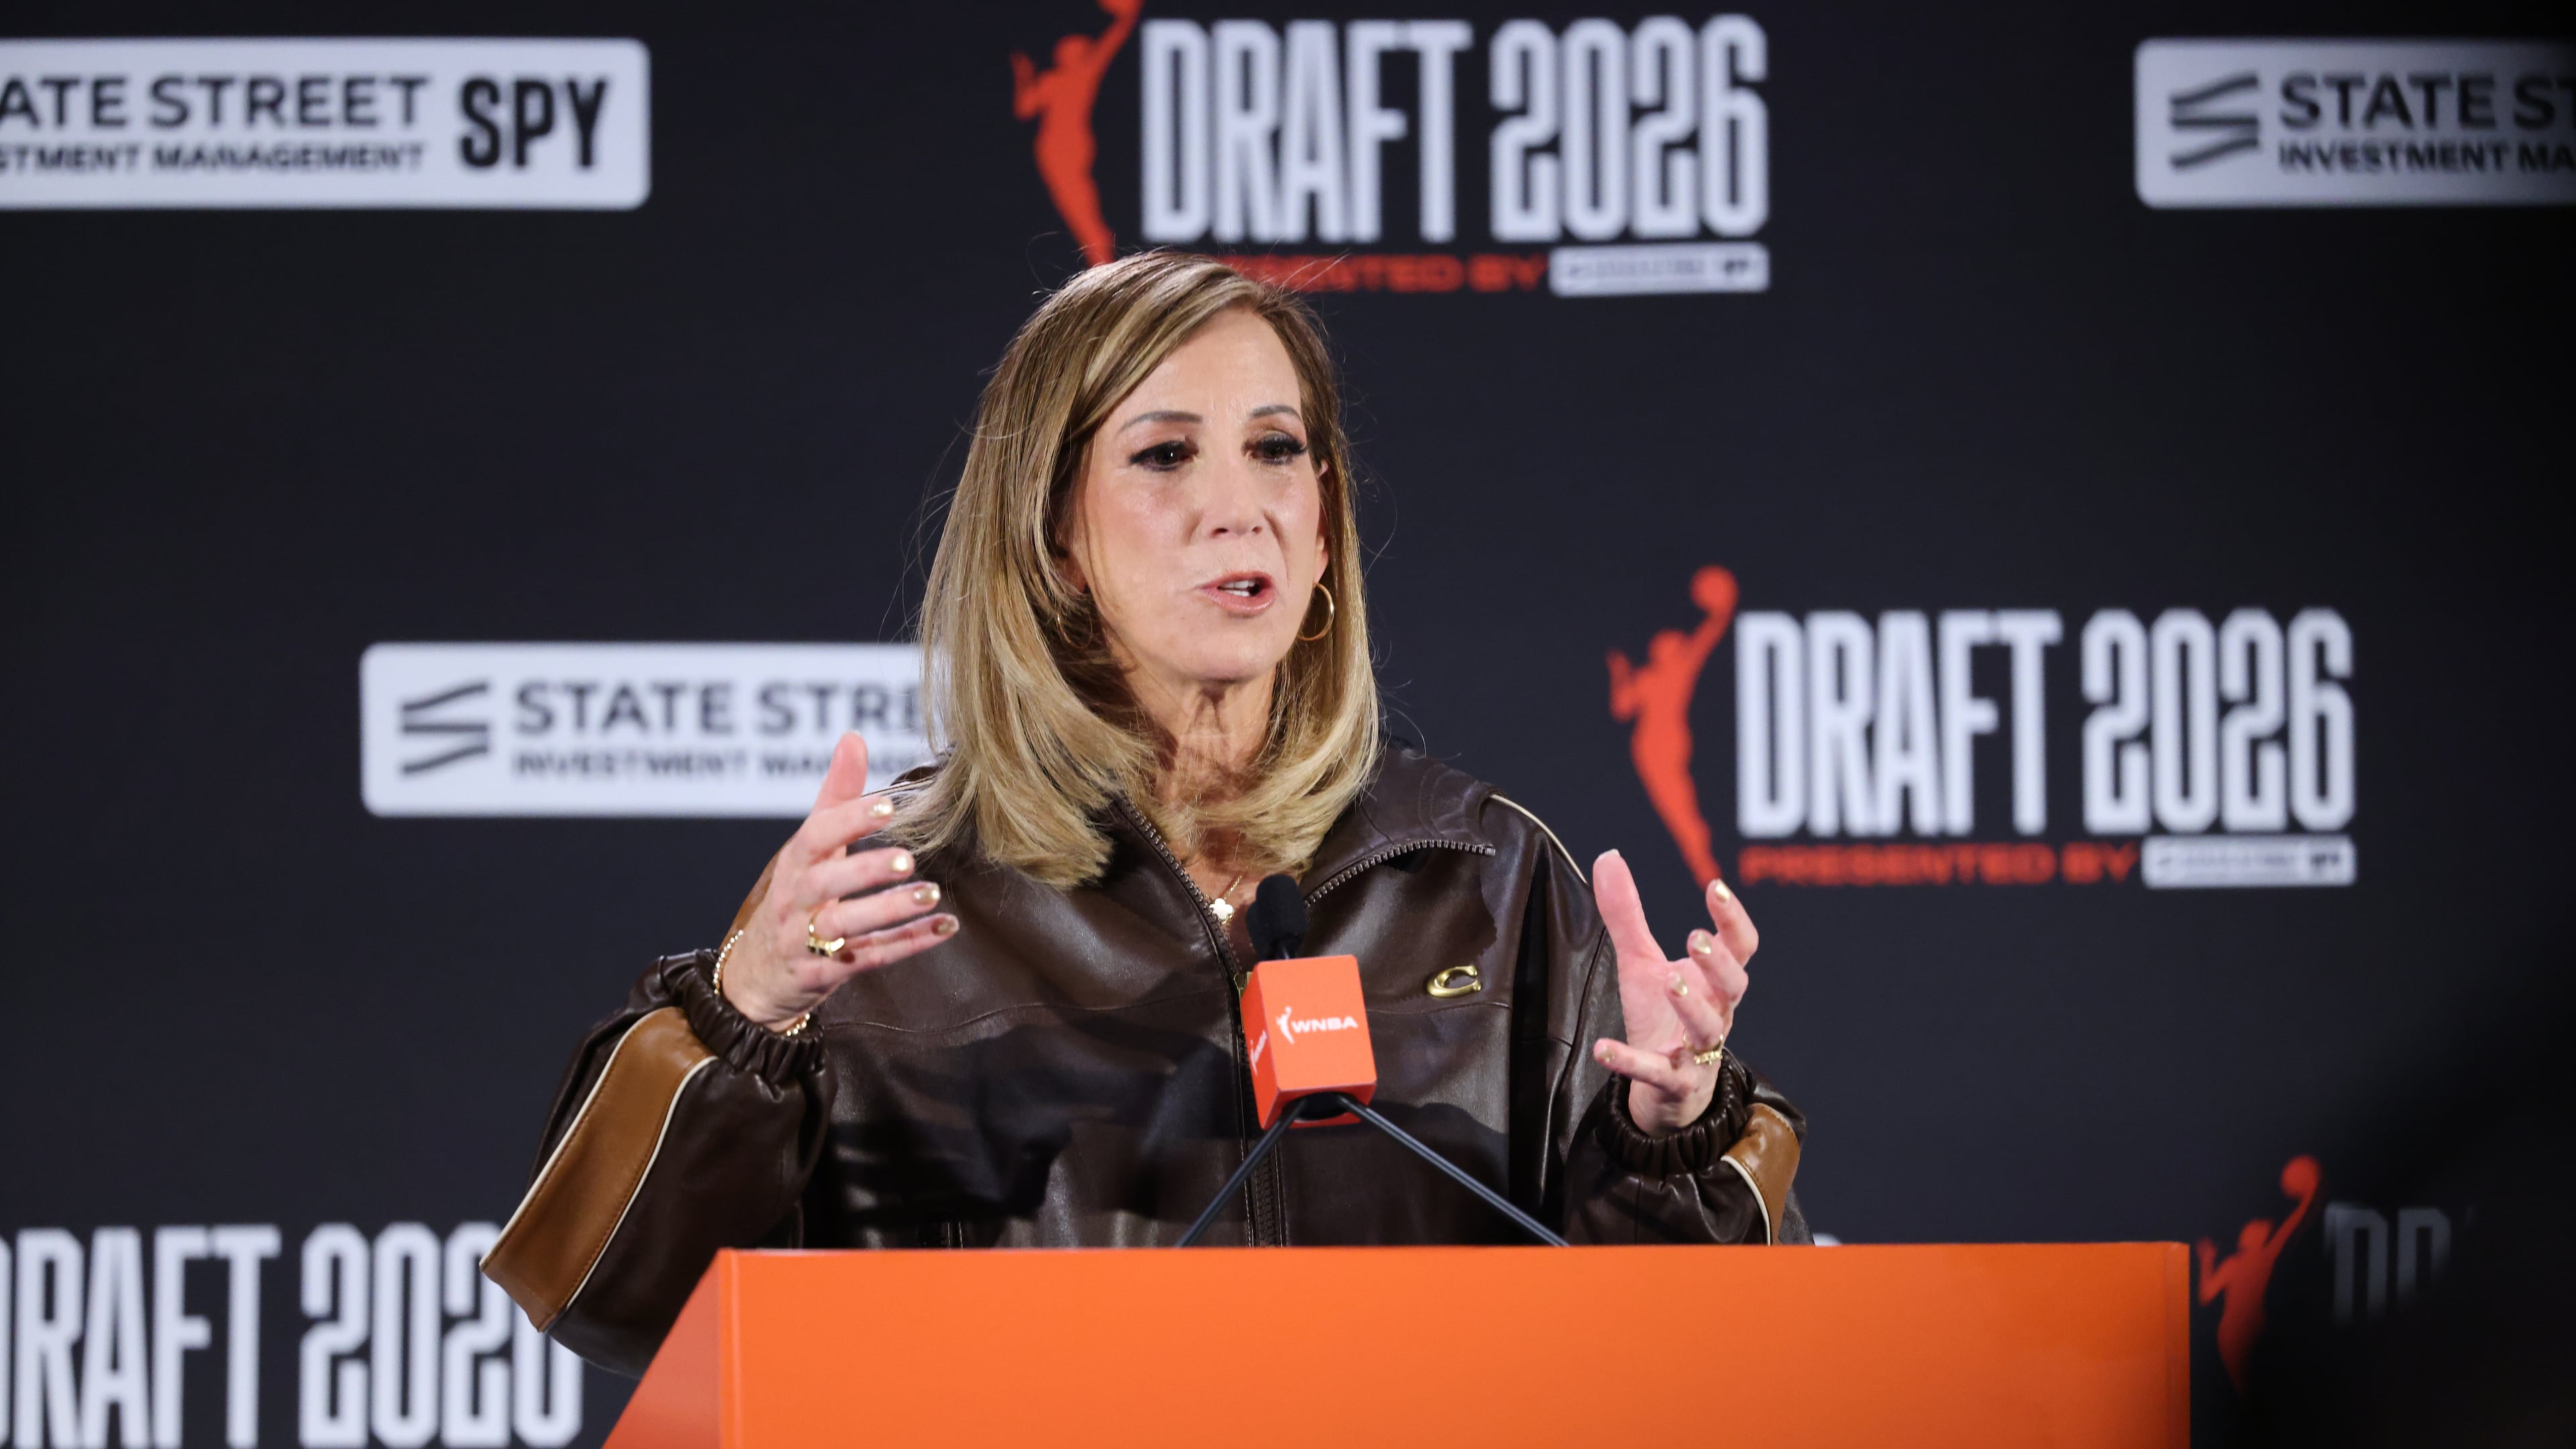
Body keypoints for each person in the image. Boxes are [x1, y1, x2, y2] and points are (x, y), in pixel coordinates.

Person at [482, 253, 1810, 1375]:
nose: (1239, 508)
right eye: (1166, 454)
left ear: (1325, 525)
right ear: (1055, 538)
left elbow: (1684, 1360)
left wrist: (1666, 1139)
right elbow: (610, 1304)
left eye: (1277, 450)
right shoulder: (891, 895)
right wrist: (747, 1014)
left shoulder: (1485, 876)